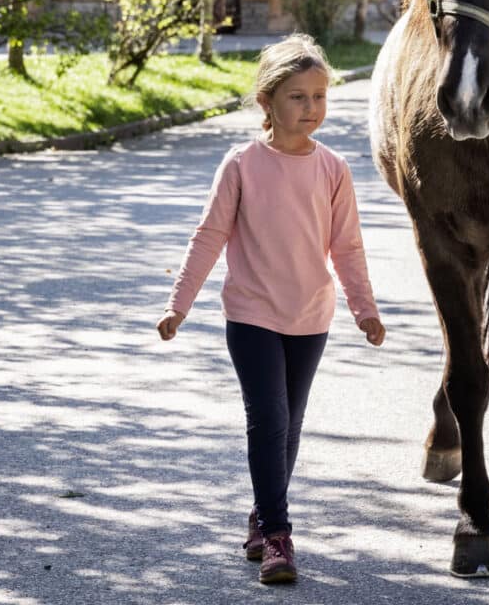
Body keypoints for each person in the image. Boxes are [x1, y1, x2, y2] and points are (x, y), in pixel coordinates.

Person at [154, 34, 386, 585]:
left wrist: (364, 309)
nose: (311, 109)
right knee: (270, 417)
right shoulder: (242, 165)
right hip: (252, 314)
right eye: (298, 97)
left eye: (319, 97)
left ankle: (262, 513)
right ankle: (279, 534)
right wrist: (178, 304)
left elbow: (347, 247)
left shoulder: (333, 170)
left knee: (290, 425)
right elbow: (209, 236)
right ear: (267, 102)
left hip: (311, 316)